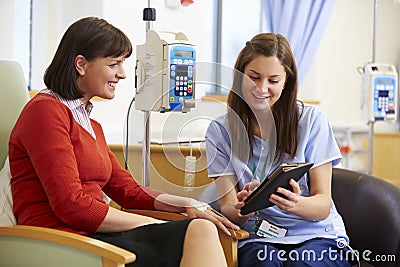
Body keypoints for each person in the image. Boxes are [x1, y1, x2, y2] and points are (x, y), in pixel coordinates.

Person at [8, 16, 239, 267]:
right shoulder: (45, 112)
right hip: (58, 242)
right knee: (197, 231)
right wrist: (154, 223)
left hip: (94, 238)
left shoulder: (89, 123)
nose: (122, 74)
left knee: (200, 227)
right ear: (81, 64)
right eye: (114, 64)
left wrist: (189, 203)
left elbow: (128, 191)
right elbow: (71, 206)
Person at [204, 33, 353, 266]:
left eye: (273, 81)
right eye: (254, 77)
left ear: (287, 82)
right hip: (258, 237)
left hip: (317, 235)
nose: (262, 88)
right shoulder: (220, 131)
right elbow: (228, 210)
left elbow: (322, 205)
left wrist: (294, 203)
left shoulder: (312, 121)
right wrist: (243, 207)